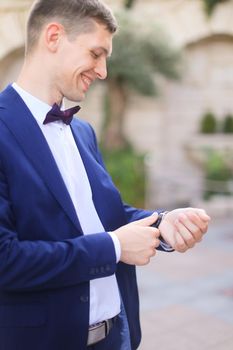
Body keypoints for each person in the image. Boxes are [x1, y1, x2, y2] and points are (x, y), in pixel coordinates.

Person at [0, 0, 210, 349]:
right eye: (96, 53)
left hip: (117, 337)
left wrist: (163, 223)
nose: (103, 71)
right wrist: (113, 248)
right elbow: (6, 260)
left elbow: (105, 217)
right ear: (54, 36)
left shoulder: (83, 131)